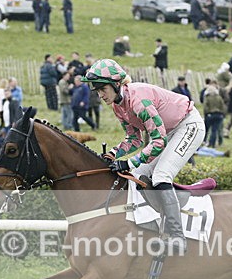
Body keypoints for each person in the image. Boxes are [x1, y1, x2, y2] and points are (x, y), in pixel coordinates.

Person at [81, 58, 205, 253]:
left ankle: (177, 237)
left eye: (102, 89)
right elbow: (134, 139)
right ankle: (149, 226)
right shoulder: (118, 105)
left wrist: (128, 162)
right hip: (167, 131)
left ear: (116, 84)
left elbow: (158, 141)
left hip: (188, 125)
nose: (100, 95)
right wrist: (114, 154)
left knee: (161, 175)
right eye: (96, 90)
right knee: (137, 175)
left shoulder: (139, 100)